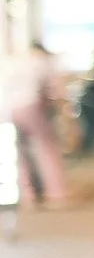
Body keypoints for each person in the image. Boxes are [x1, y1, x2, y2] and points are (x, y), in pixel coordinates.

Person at [1, 43, 68, 205]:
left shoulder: (9, 62)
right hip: (31, 106)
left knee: (17, 153)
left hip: (5, 109)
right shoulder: (40, 62)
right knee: (46, 149)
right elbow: (54, 90)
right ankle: (56, 192)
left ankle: (25, 194)